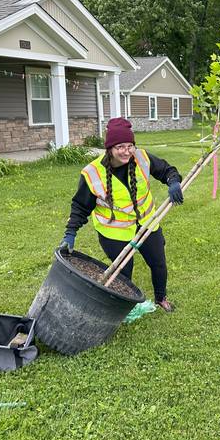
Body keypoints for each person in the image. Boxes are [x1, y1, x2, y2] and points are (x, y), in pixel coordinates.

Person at [59, 117, 184, 312]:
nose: (126, 151)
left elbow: (167, 170)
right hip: (114, 232)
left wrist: (173, 181)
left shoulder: (142, 157)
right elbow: (80, 206)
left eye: (130, 146)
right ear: (110, 148)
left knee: (158, 264)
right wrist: (70, 233)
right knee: (123, 273)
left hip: (147, 224)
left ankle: (161, 298)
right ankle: (125, 307)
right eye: (120, 147)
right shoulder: (92, 173)